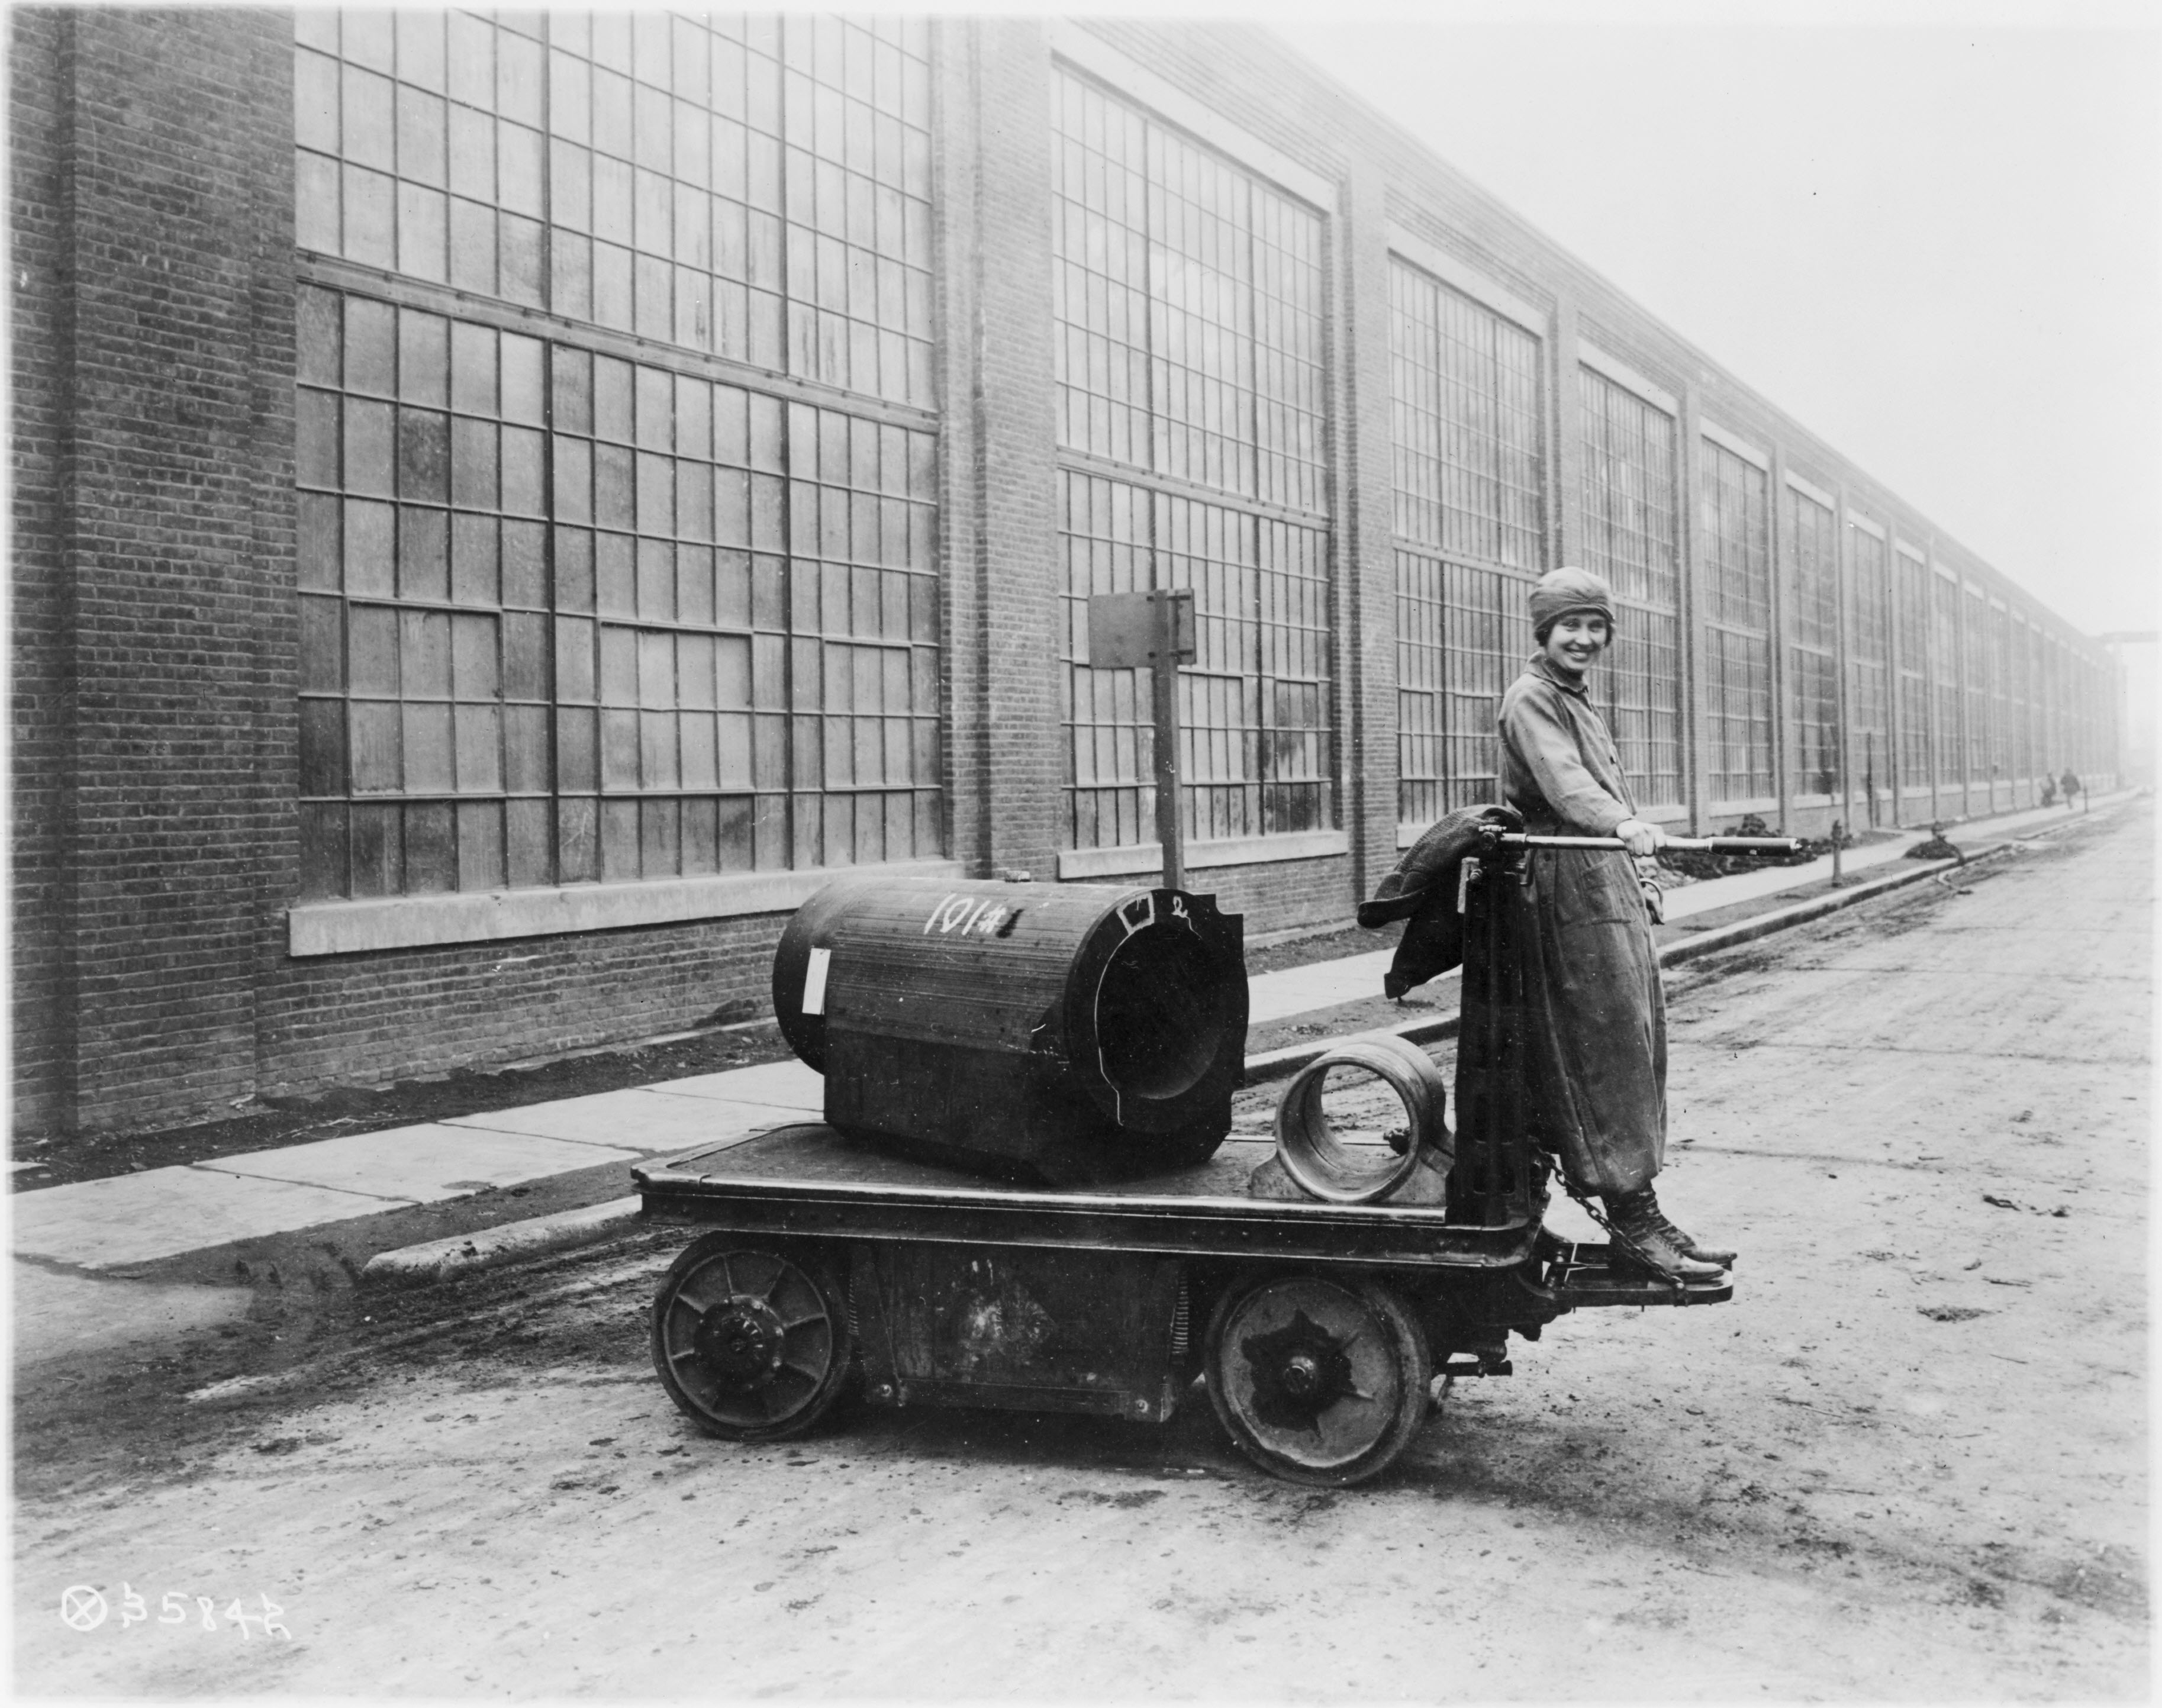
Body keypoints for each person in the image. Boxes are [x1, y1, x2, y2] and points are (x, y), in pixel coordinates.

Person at [1494, 566, 1732, 1282]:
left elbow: (1606, 788)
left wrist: (1644, 875)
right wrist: (1624, 827)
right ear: (1543, 630)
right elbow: (1570, 787)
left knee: (1635, 1041)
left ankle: (1641, 1208)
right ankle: (1630, 1219)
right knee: (1604, 1050)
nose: (1584, 638)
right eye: (1571, 625)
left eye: (1596, 626)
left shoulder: (1576, 700)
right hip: (1568, 886)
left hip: (1602, 880)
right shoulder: (1531, 698)